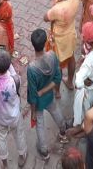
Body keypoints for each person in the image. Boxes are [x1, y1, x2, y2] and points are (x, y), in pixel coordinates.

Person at [27, 29, 69, 160]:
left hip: (38, 102)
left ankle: (44, 151)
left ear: (33, 45)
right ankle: (63, 132)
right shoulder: (52, 55)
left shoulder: (32, 68)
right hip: (49, 96)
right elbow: (57, 78)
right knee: (56, 111)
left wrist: (33, 112)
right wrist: (46, 91)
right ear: (45, 43)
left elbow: (33, 95)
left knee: (39, 123)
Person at [0, 50, 26, 168]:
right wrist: (9, 66)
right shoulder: (15, 81)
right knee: (19, 134)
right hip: (13, 116)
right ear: (9, 65)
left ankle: (3, 162)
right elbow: (14, 76)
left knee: (1, 139)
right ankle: (22, 155)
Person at [44, 0, 81, 90]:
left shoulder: (58, 9)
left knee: (58, 65)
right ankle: (70, 82)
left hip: (59, 39)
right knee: (71, 57)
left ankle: (57, 90)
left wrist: (55, 3)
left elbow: (45, 18)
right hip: (70, 33)